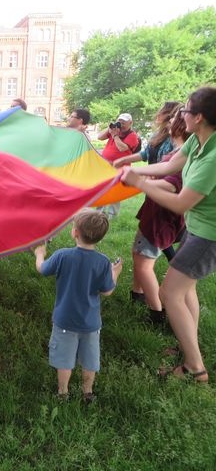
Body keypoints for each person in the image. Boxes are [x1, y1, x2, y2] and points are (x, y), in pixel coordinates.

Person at [121, 86, 216, 383]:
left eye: (185, 111)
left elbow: (180, 202)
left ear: (198, 117)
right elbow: (170, 165)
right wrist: (134, 169)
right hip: (197, 227)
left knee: (169, 291)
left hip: (209, 236)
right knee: (186, 289)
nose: (181, 116)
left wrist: (139, 183)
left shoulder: (213, 157)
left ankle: (194, 368)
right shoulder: (199, 142)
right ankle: (188, 345)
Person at [33, 209, 122, 402]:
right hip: (90, 324)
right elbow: (107, 291)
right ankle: (87, 393)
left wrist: (40, 254)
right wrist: (115, 273)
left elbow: (42, 269)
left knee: (64, 360)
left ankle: (63, 392)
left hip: (64, 321)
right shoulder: (103, 262)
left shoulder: (62, 255)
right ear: (101, 237)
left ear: (74, 232)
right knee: (90, 360)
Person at [121, 108, 190, 321]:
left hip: (160, 216)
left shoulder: (183, 153)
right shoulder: (181, 150)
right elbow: (162, 170)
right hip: (157, 213)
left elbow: (172, 185)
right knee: (140, 255)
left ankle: (156, 312)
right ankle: (138, 295)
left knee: (144, 263)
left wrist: (141, 182)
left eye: (176, 117)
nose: (170, 120)